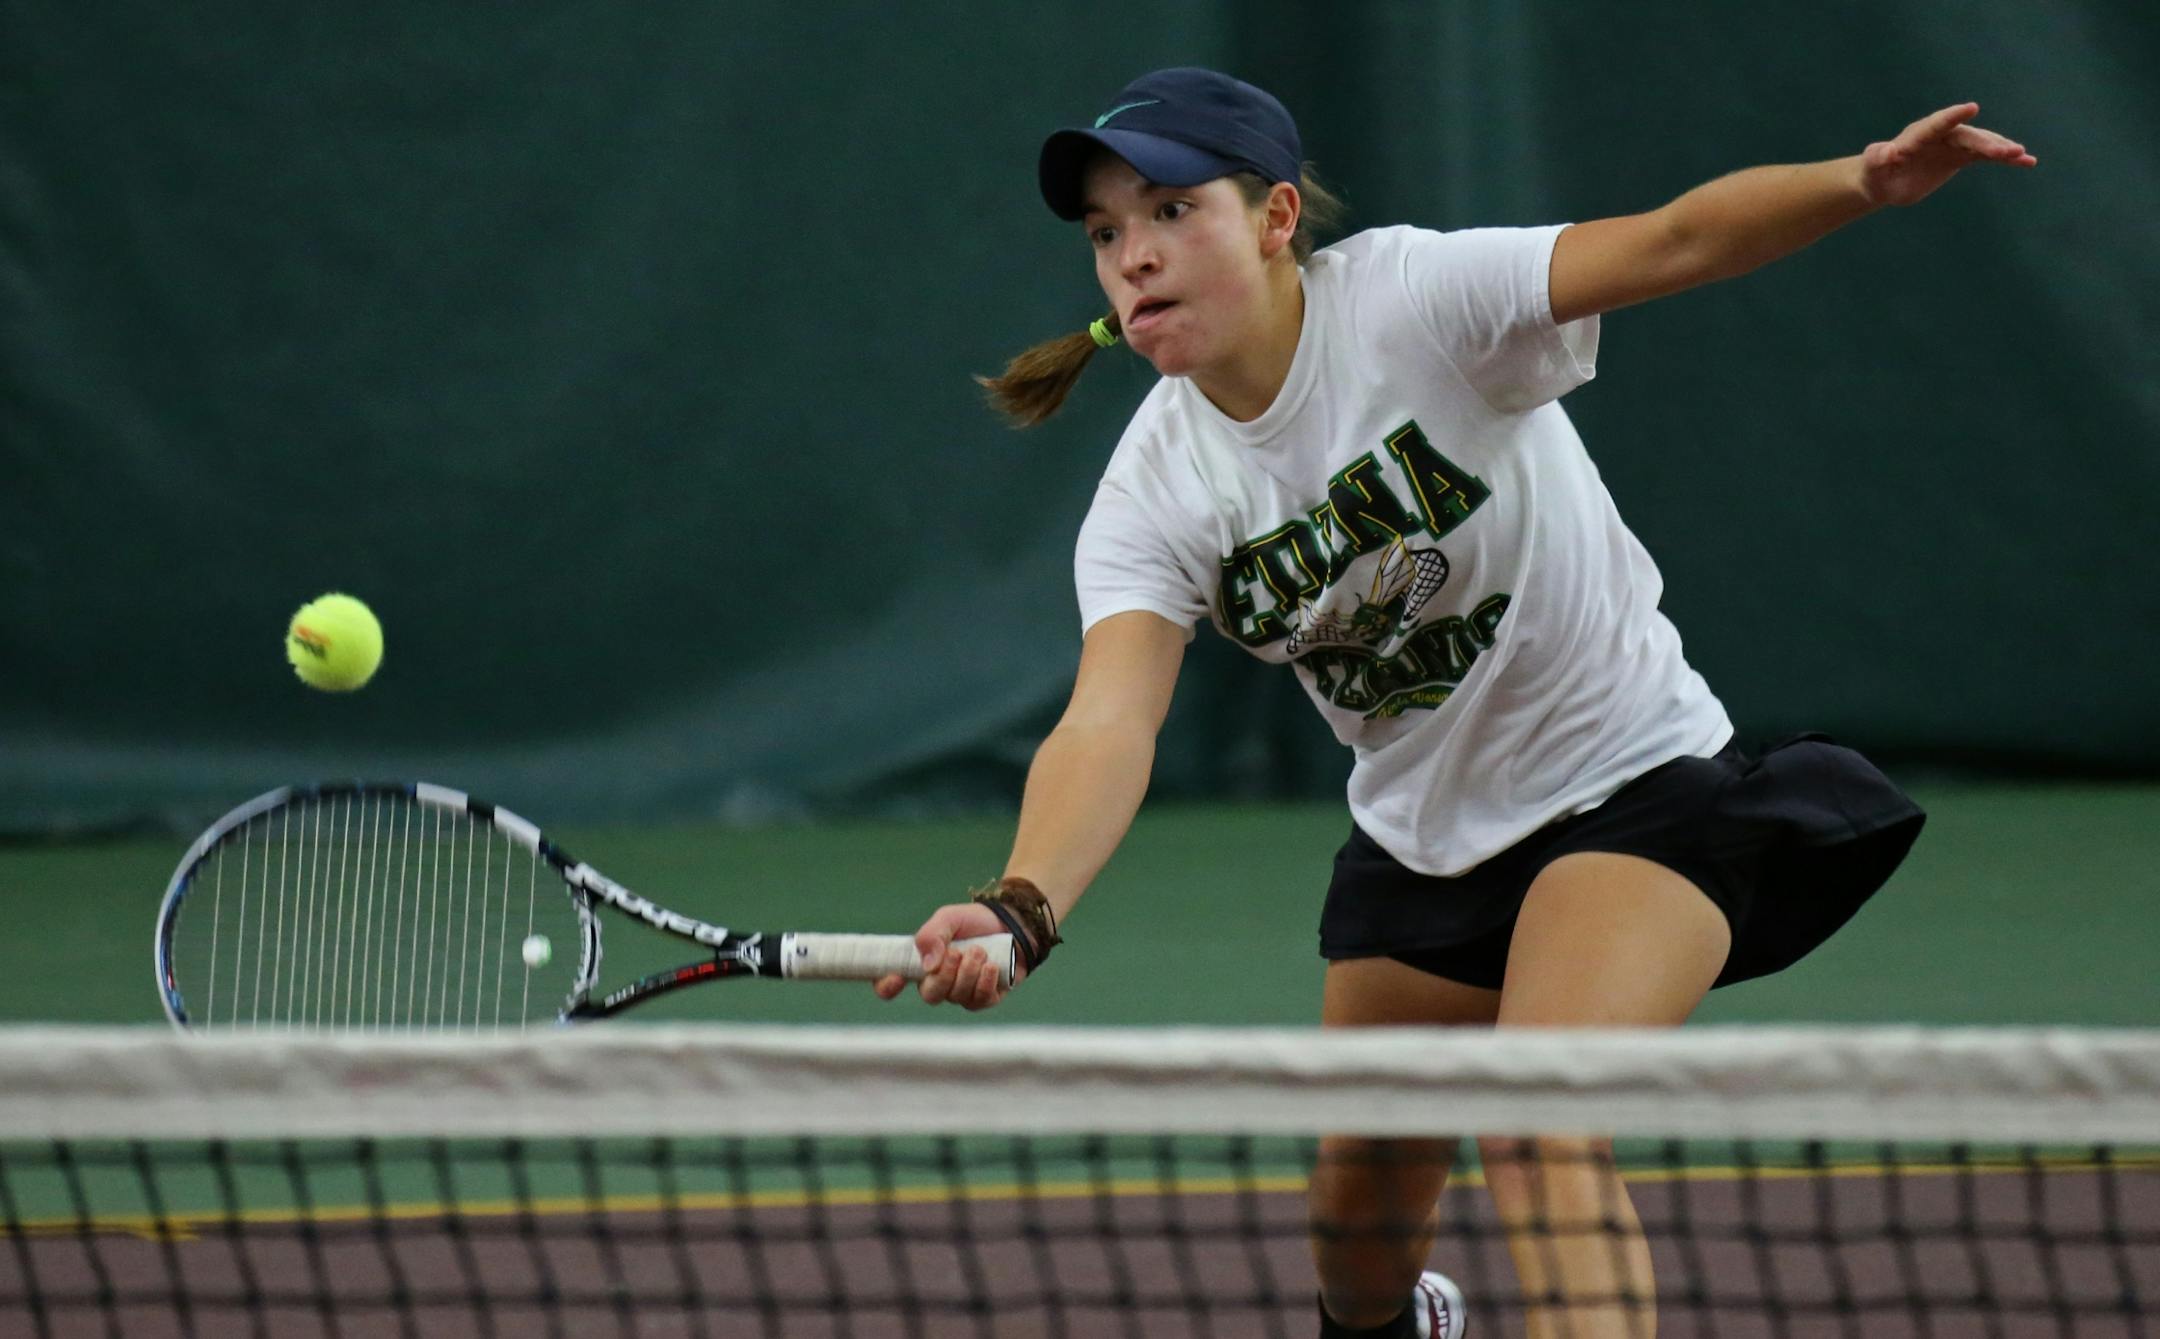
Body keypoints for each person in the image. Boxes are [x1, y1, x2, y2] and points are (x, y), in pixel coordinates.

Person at [873, 67, 2030, 1339]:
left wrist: (1860, 180)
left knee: (1535, 1120)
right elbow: (1109, 718)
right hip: (1421, 840)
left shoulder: (1418, 301)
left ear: (1271, 222)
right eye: (1106, 234)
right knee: (1354, 1236)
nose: (1134, 258)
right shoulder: (1157, 486)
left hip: (1632, 789)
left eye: (1170, 212)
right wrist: (1022, 900)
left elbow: (1672, 239)